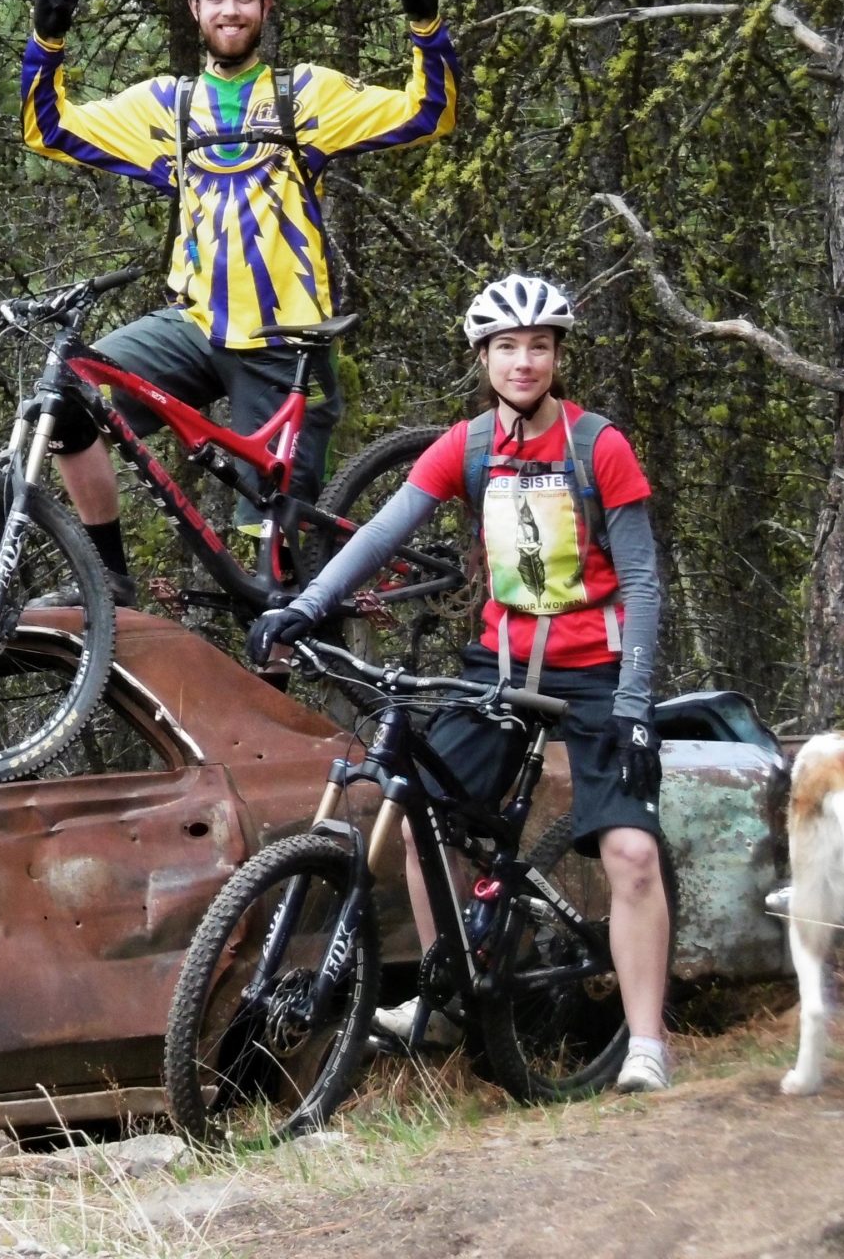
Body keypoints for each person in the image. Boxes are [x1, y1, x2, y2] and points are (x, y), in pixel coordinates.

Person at [249, 273, 674, 1094]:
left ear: (557, 356)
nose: (524, 362)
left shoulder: (599, 446)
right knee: (421, 818)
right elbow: (383, 531)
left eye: (539, 347)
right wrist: (305, 605)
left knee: (630, 854)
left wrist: (634, 708)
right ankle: (451, 987)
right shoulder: (471, 445)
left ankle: (648, 1043)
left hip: (597, 673)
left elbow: (644, 583)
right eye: (508, 348)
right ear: (484, 357)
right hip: (500, 669)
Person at [21, 0, 458, 600]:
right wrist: (47, 39)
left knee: (271, 575)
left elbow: (429, 112)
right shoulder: (168, 106)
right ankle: (107, 577)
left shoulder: (305, 96)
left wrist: (425, 24)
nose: (231, 10)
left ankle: (283, 660)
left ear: (266, 8)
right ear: (195, 10)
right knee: (70, 404)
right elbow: (47, 130)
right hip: (195, 329)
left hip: (286, 344)